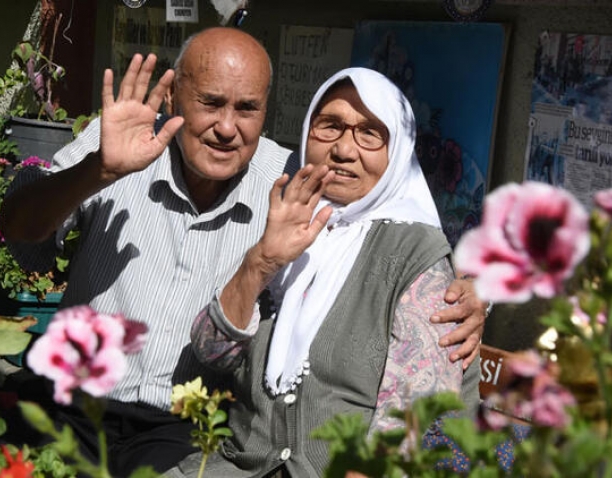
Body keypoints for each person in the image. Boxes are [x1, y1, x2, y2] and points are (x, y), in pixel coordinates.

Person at [0, 27, 485, 477]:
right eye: (210, 103)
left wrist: (464, 291)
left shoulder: (291, 185)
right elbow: (19, 231)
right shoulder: (117, 150)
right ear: (172, 98)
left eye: (247, 108)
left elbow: (377, 230)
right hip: (74, 406)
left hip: (186, 433)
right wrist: (99, 172)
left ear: (267, 111)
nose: (227, 128)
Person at [167, 66, 469, 478]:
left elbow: (417, 416)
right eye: (330, 127)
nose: (345, 150)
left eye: (369, 133)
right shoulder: (281, 211)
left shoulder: (415, 254)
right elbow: (211, 353)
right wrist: (263, 261)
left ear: (397, 149)